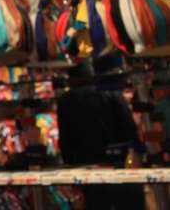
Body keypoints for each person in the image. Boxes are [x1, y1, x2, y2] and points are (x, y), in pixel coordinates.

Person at [56, 55, 144, 210]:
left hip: (86, 167)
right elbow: (129, 128)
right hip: (117, 163)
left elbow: (65, 141)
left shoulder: (65, 101)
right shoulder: (112, 93)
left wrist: (70, 166)